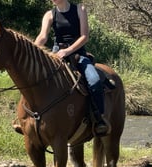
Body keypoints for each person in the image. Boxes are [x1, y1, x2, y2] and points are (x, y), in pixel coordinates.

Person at [34, 0, 111, 136]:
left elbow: (84, 36)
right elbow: (43, 36)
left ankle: (100, 119)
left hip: (78, 55)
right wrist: (33, 50)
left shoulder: (79, 9)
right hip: (57, 54)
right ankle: (27, 117)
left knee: (94, 81)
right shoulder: (49, 15)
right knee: (34, 77)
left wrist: (68, 51)